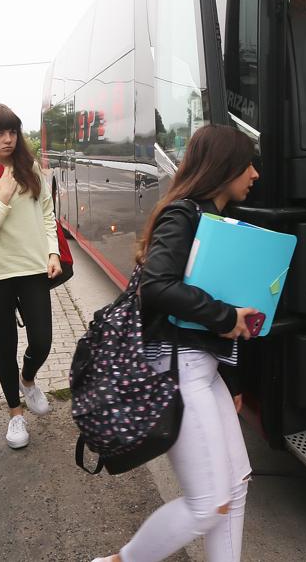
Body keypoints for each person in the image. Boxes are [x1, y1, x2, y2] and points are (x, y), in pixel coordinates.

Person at [93, 124, 262, 562]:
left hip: (203, 368)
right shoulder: (184, 213)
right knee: (207, 502)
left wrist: (234, 377)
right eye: (248, 163)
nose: (255, 174)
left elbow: (217, 304)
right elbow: (157, 286)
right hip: (179, 367)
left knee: (236, 483)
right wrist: (225, 317)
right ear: (224, 167)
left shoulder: (217, 219)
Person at [0, 103, 63, 449]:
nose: (8, 139)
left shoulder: (28, 167)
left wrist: (53, 251)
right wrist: (3, 197)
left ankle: (28, 379)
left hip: (33, 268)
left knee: (44, 340)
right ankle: (15, 416)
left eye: (12, 132)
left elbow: (47, 213)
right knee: (6, 345)